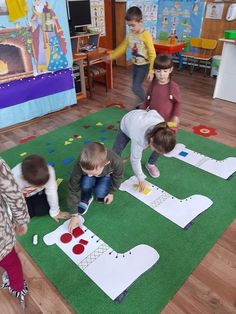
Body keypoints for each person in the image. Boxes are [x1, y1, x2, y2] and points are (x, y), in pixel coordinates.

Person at [112, 109, 176, 192]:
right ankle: (112, 167)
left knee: (159, 147)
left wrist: (173, 123)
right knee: (117, 149)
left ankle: (150, 164)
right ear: (151, 140)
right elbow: (135, 160)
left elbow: (153, 112)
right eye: (155, 149)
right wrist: (140, 178)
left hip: (141, 120)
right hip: (127, 123)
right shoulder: (140, 139)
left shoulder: (162, 127)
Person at [140, 54, 182, 178]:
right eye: (158, 71)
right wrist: (141, 111)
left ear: (171, 70)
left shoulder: (174, 87)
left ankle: (151, 164)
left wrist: (176, 117)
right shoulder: (152, 85)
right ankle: (137, 157)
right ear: (154, 71)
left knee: (161, 144)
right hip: (152, 122)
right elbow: (146, 101)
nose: (161, 74)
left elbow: (178, 103)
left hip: (167, 124)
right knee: (147, 142)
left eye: (165, 71)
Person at [105, 6, 156, 106]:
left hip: (144, 65)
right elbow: (123, 47)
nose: (131, 28)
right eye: (129, 26)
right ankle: (144, 100)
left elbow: (152, 54)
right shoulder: (130, 35)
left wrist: (151, 70)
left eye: (133, 25)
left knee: (135, 87)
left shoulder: (146, 35)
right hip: (135, 65)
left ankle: (149, 103)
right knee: (136, 86)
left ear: (140, 21)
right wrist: (112, 56)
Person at [67, 142, 124, 233]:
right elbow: (73, 186)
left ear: (106, 164)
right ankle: (87, 197)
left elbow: (118, 177)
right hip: (97, 172)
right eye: (86, 172)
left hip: (106, 175)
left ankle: (101, 180)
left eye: (92, 173)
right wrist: (74, 215)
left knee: (100, 195)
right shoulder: (79, 163)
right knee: (86, 183)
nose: (89, 175)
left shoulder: (116, 161)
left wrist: (111, 192)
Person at [0, 158, 29, 305]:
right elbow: (14, 195)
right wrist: (21, 222)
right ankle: (17, 287)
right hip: (1, 239)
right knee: (11, 263)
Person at [12, 155, 70, 222]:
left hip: (38, 193)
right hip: (20, 196)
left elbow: (52, 192)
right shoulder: (13, 179)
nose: (40, 186)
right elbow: (12, 199)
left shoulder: (49, 171)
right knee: (26, 215)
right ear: (23, 178)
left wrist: (55, 212)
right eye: (37, 185)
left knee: (42, 210)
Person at [31, 0, 68, 73]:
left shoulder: (49, 11)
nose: (37, 3)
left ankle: (56, 65)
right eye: (36, 2)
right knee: (41, 49)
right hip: (41, 36)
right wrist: (31, 24)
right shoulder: (35, 14)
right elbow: (34, 26)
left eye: (39, 2)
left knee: (54, 49)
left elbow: (56, 22)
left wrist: (52, 22)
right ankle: (43, 67)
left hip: (51, 34)